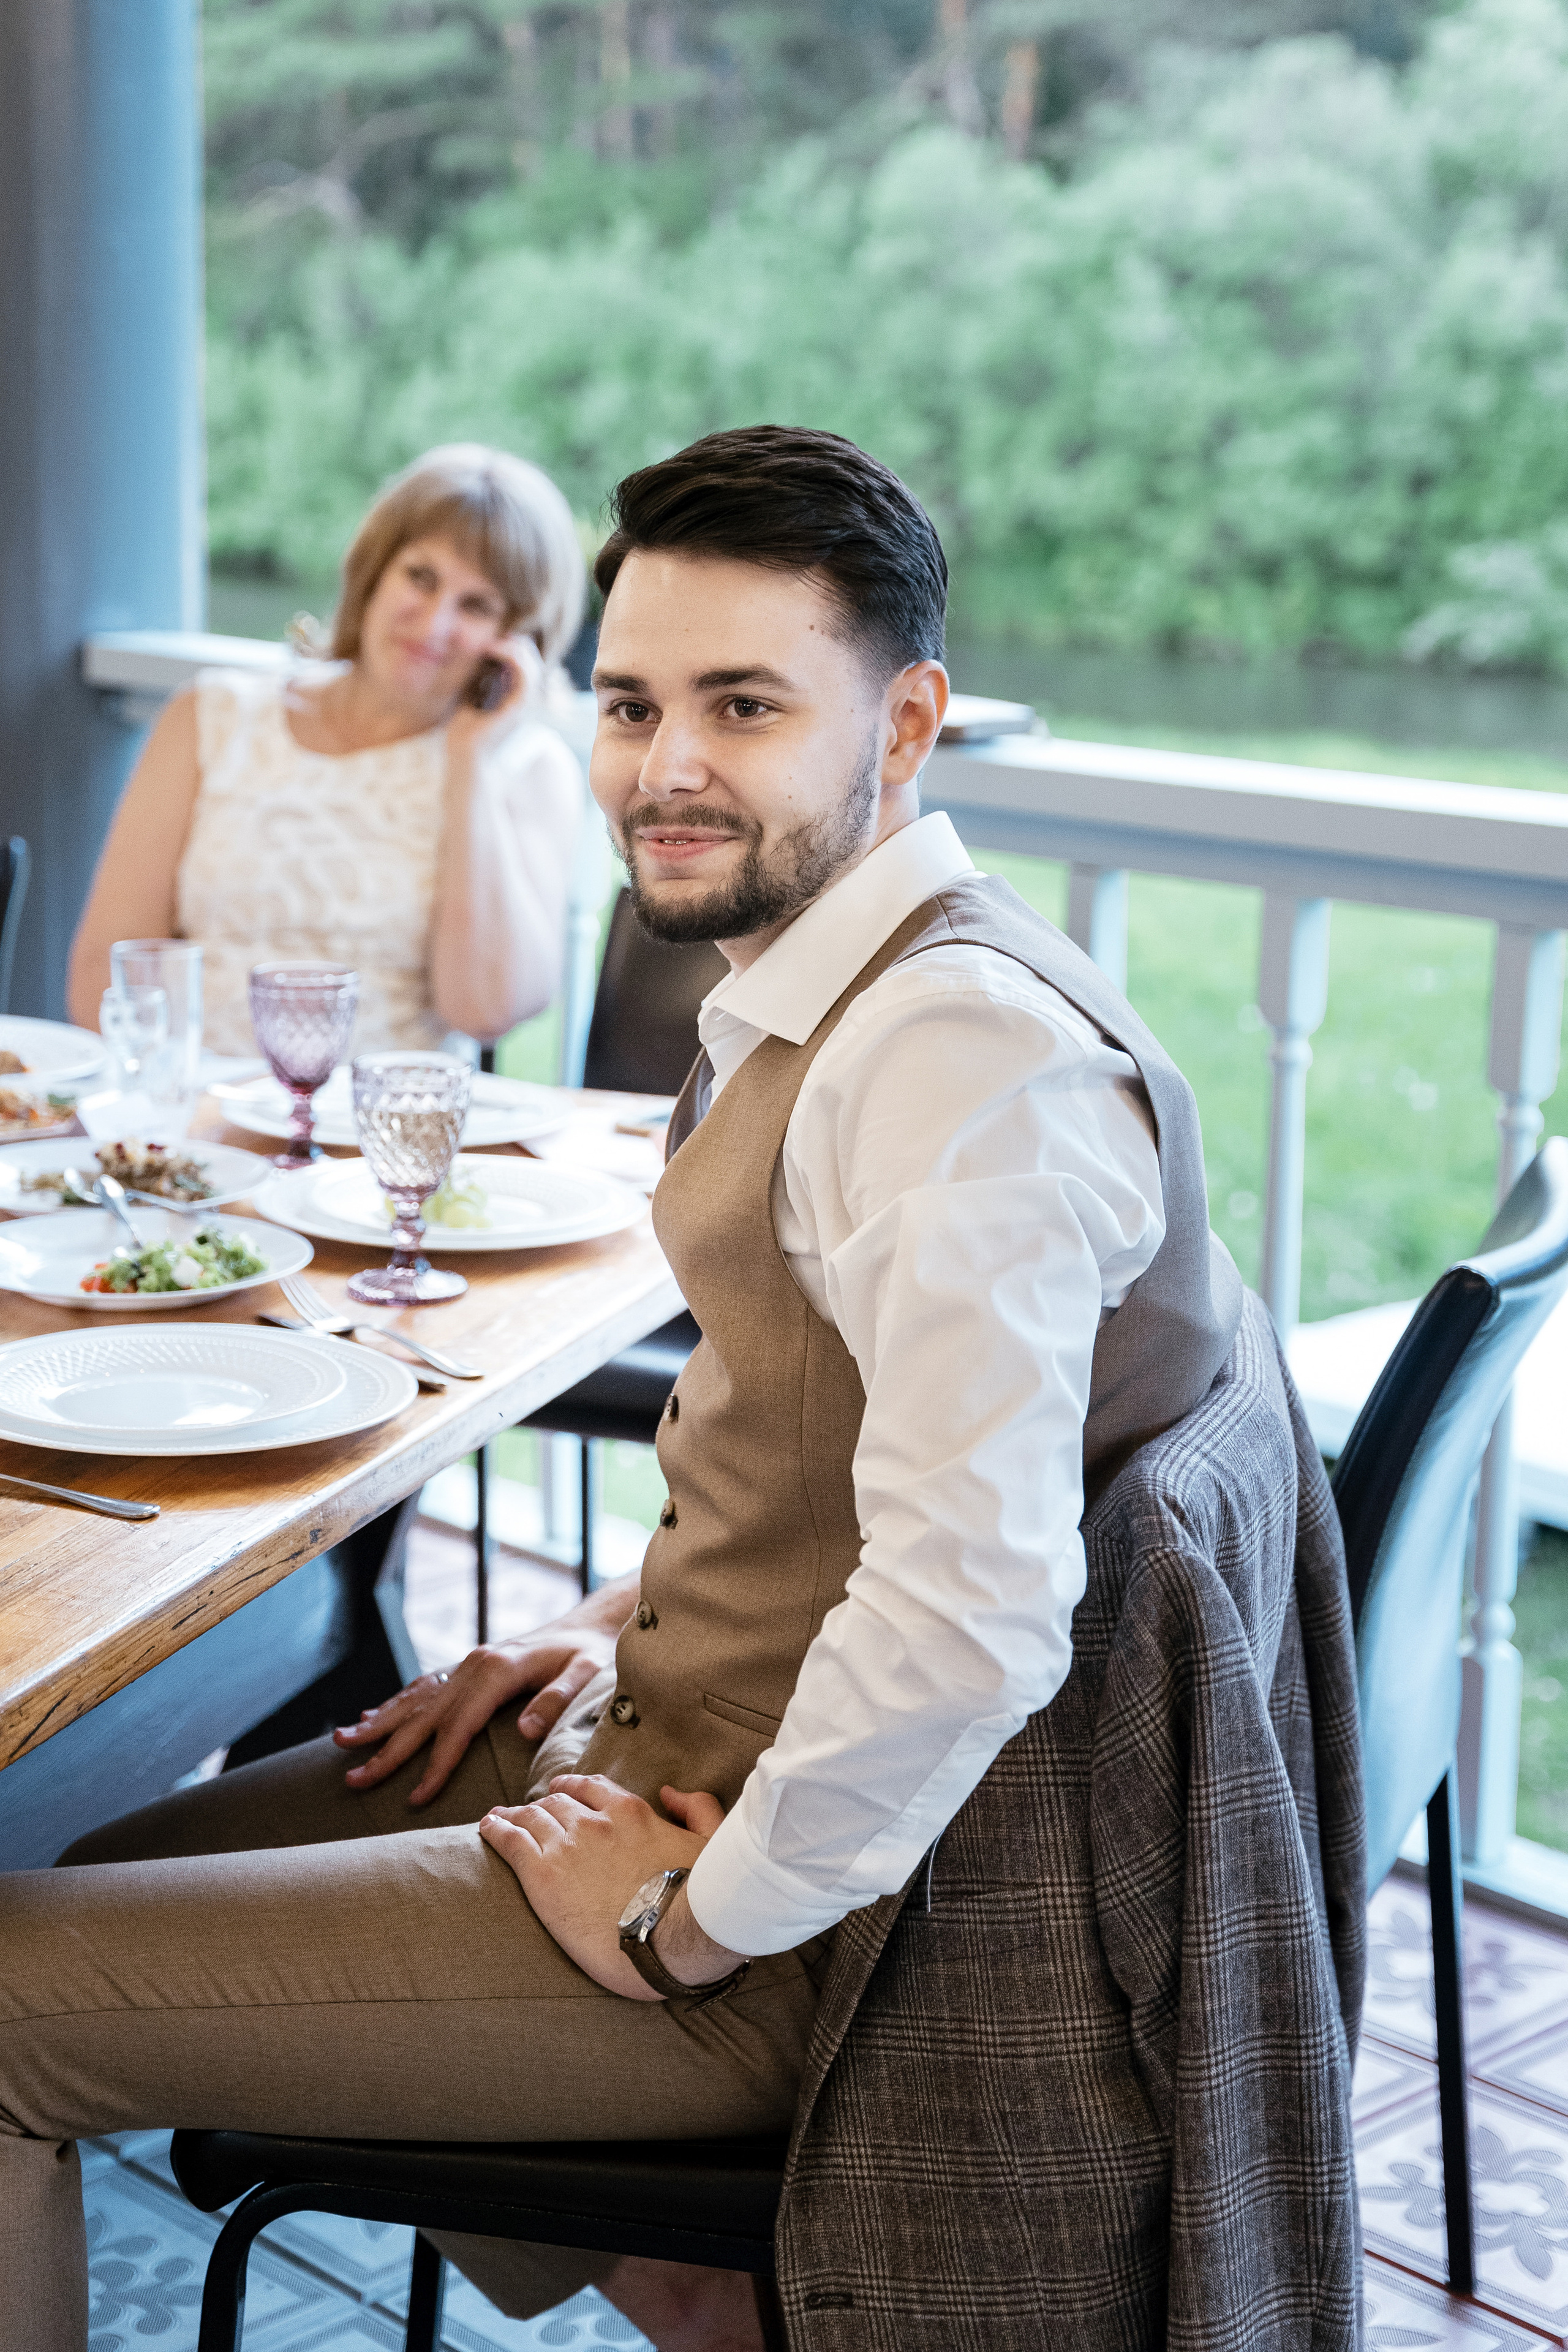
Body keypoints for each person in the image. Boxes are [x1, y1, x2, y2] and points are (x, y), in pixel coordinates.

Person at [0, 427, 1240, 2352]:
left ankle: (678, 2187)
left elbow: (976, 1608)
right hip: (662, 1735)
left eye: (743, 705)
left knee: (6, 1988)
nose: (664, 767)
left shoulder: (954, 1061)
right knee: (118, 1864)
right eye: (634, 702)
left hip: (797, 1920)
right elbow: (828, 1467)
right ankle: (695, 2282)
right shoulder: (839, 991)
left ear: (901, 720)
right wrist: (599, 1625)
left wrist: (693, 1918)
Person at [67, 443, 585, 1055]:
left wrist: (472, 763)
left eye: (477, 606)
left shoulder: (527, 770)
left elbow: (483, 1010)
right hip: (201, 1122)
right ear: (374, 572)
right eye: (420, 577)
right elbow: (107, 976)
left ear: (515, 639)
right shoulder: (210, 717)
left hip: (381, 1135)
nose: (435, 623)